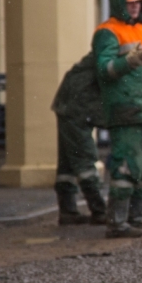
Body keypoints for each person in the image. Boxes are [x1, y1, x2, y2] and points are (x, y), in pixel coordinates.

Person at [93, 0, 142, 238]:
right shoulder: (108, 32)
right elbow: (103, 69)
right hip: (126, 111)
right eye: (131, 3)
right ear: (118, 2)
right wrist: (129, 62)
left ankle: (136, 218)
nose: (137, 7)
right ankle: (118, 222)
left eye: (140, 3)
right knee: (126, 167)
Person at [51, 53, 107, 225]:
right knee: (84, 157)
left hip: (70, 104)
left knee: (67, 163)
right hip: (76, 107)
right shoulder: (115, 45)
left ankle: (68, 211)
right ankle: (99, 211)